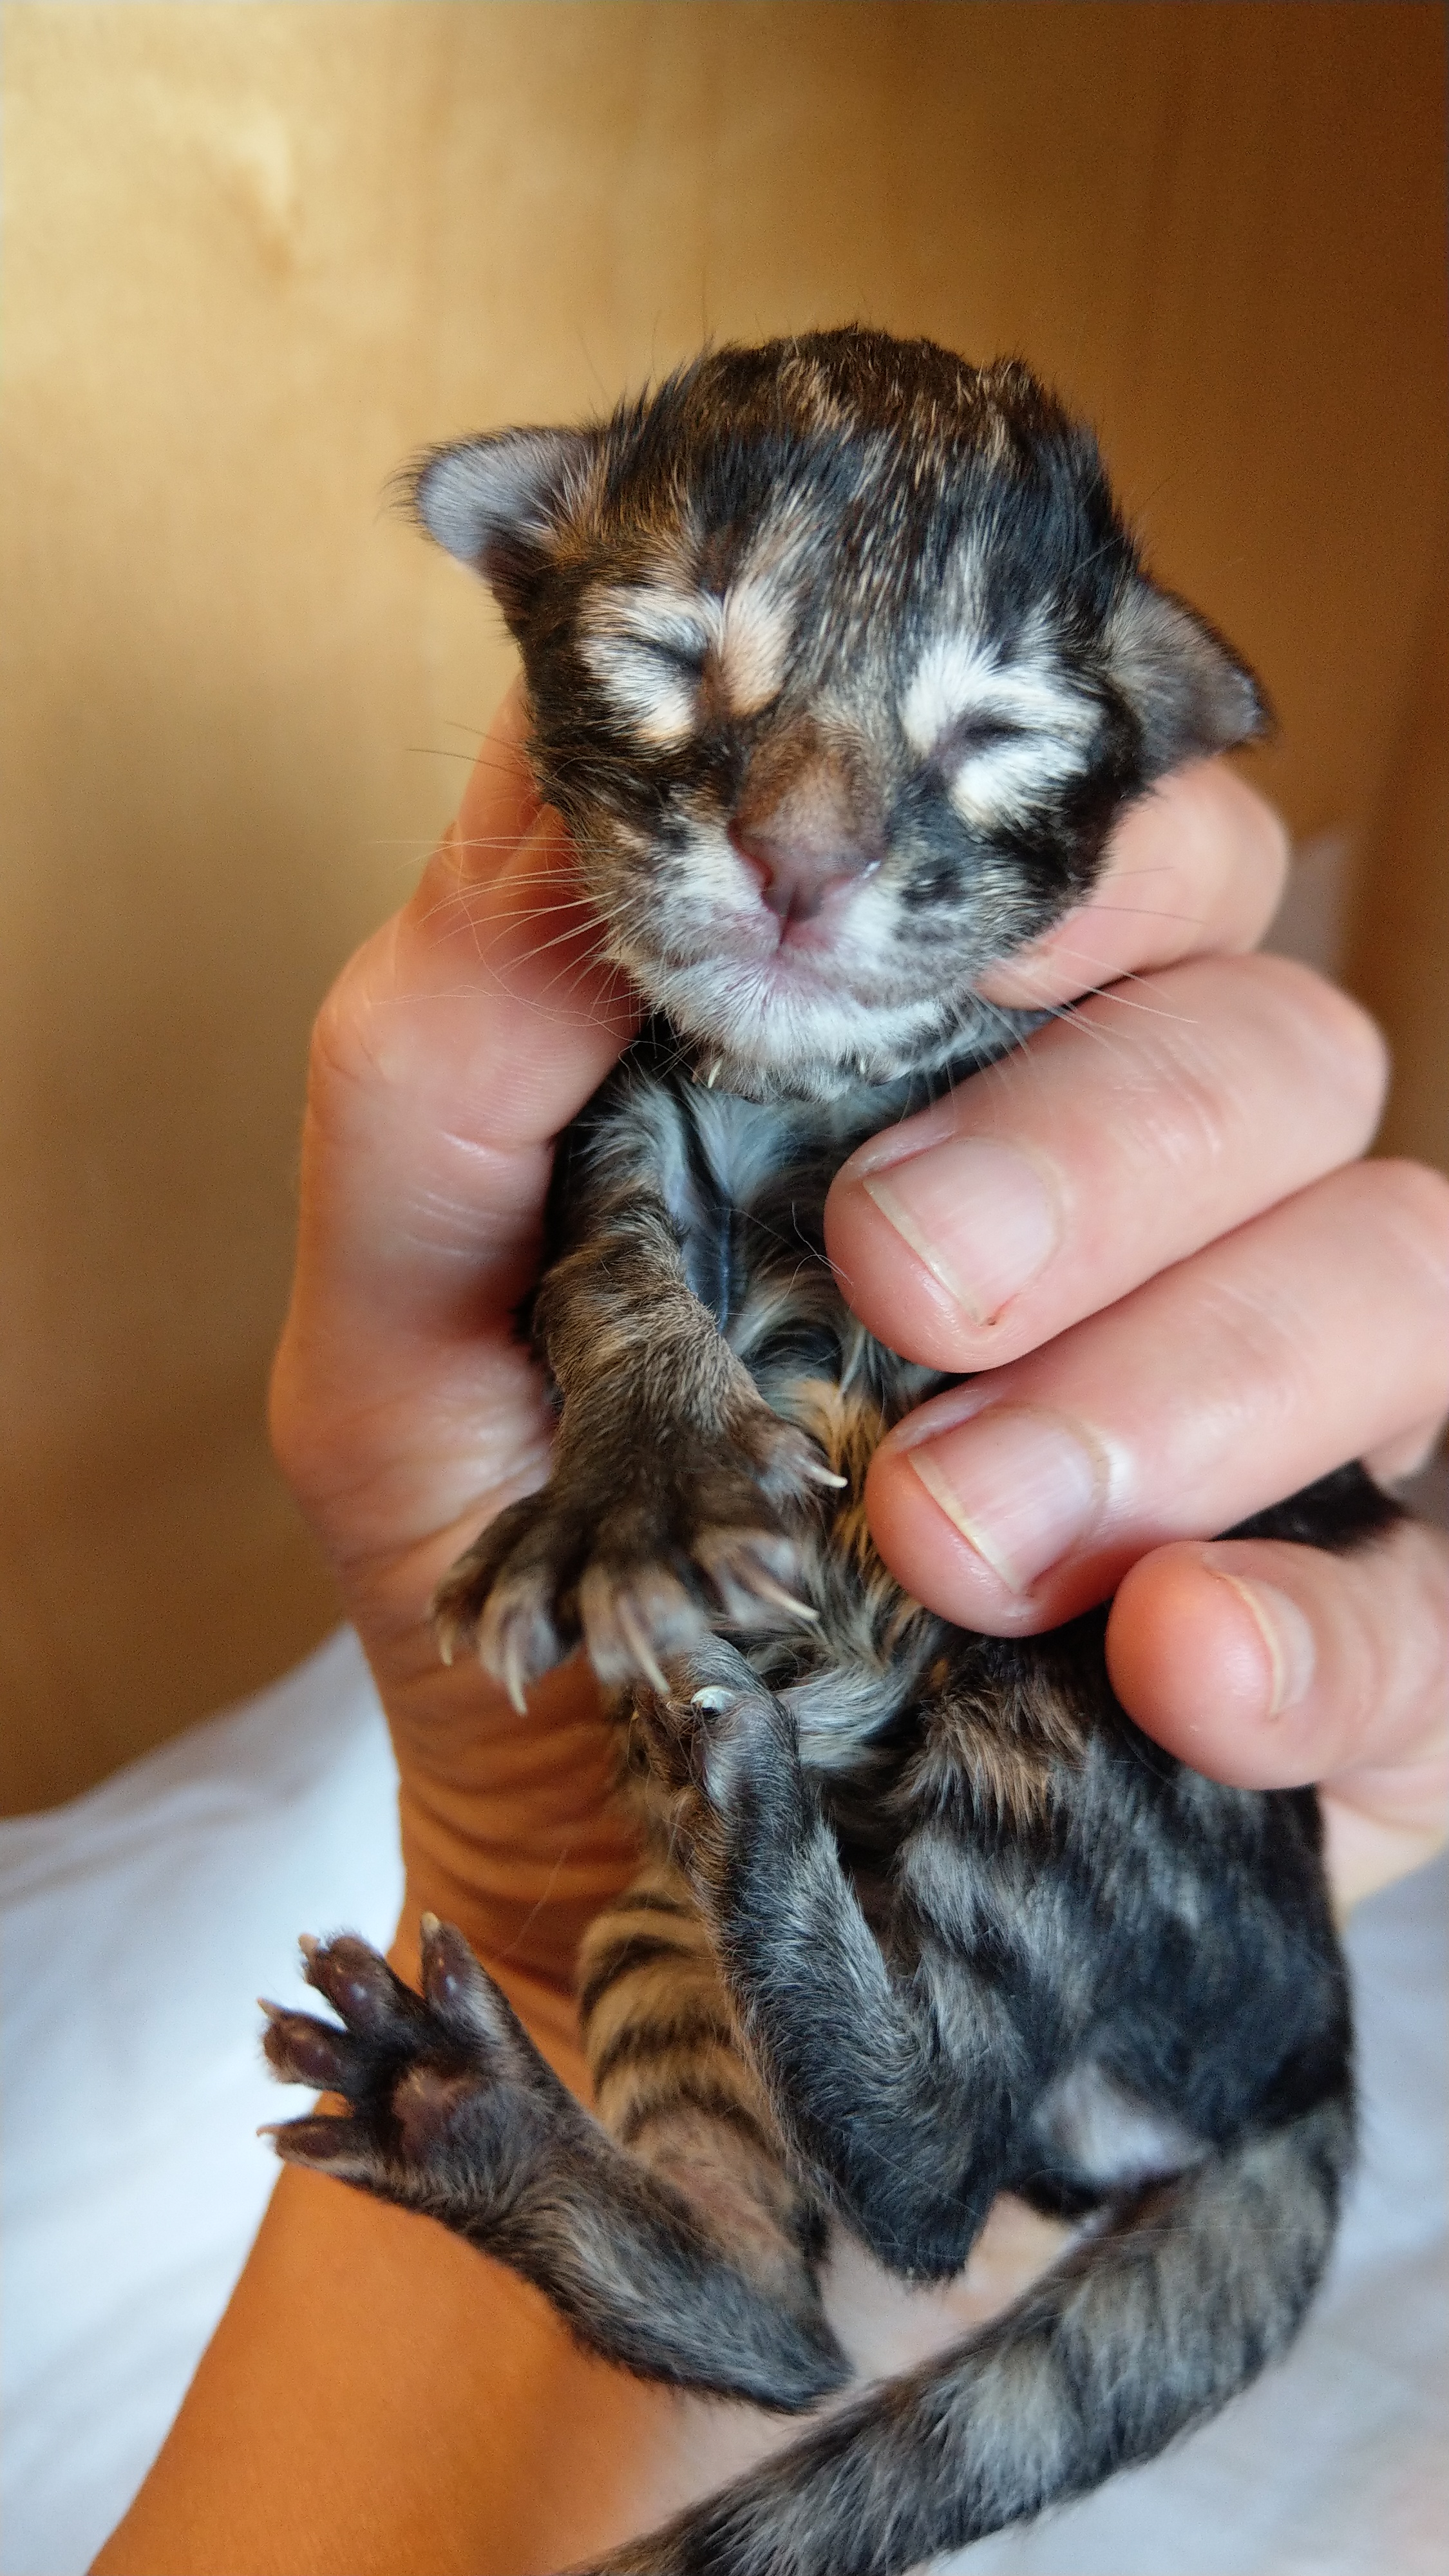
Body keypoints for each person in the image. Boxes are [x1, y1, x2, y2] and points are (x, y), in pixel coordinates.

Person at [94, 694, 1449, 2576]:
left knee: (1025, 1680)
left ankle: (887, 2075)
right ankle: (714, 2215)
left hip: (1063, 1939)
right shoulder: (609, 1078)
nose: (804, 835)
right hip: (865, 1925)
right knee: (666, 1949)